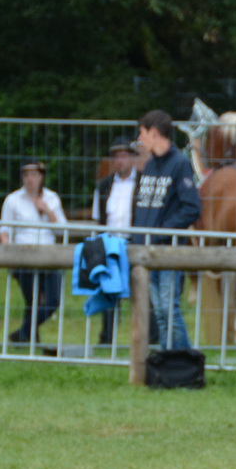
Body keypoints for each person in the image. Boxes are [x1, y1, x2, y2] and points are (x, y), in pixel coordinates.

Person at [132, 110, 201, 351]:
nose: (140, 140)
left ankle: (181, 358)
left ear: (153, 132)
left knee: (167, 306)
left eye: (142, 133)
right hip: (147, 248)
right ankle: (169, 357)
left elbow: (192, 207)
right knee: (159, 310)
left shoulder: (179, 164)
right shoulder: (150, 165)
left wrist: (162, 231)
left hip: (167, 249)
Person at [0, 159, 66, 344]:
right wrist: (8, 250)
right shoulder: (12, 200)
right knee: (32, 301)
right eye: (26, 175)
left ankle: (22, 333)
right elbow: (4, 230)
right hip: (24, 257)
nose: (30, 179)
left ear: (41, 176)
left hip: (49, 256)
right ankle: (29, 339)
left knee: (52, 300)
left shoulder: (52, 199)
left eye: (34, 175)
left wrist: (47, 211)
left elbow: (62, 229)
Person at [90, 140, 141, 343]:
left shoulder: (143, 183)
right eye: (117, 157)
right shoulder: (104, 185)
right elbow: (97, 218)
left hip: (134, 242)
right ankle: (107, 338)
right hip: (109, 243)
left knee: (140, 290)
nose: (121, 161)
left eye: (125, 156)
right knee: (110, 292)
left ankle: (148, 336)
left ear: (133, 158)